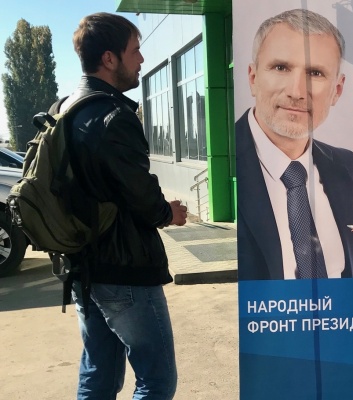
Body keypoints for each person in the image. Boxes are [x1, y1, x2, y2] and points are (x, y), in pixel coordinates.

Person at [64, 13, 187, 399]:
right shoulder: (113, 116)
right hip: (125, 272)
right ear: (109, 58)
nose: (142, 59)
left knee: (99, 374)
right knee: (157, 380)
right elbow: (141, 196)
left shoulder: (65, 109)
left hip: (82, 267)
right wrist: (169, 213)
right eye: (135, 50)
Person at [236, 9, 353, 280]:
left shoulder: (352, 168)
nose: (296, 92)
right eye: (281, 68)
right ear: (253, 77)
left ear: (337, 90)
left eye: (315, 73)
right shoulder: (228, 165)